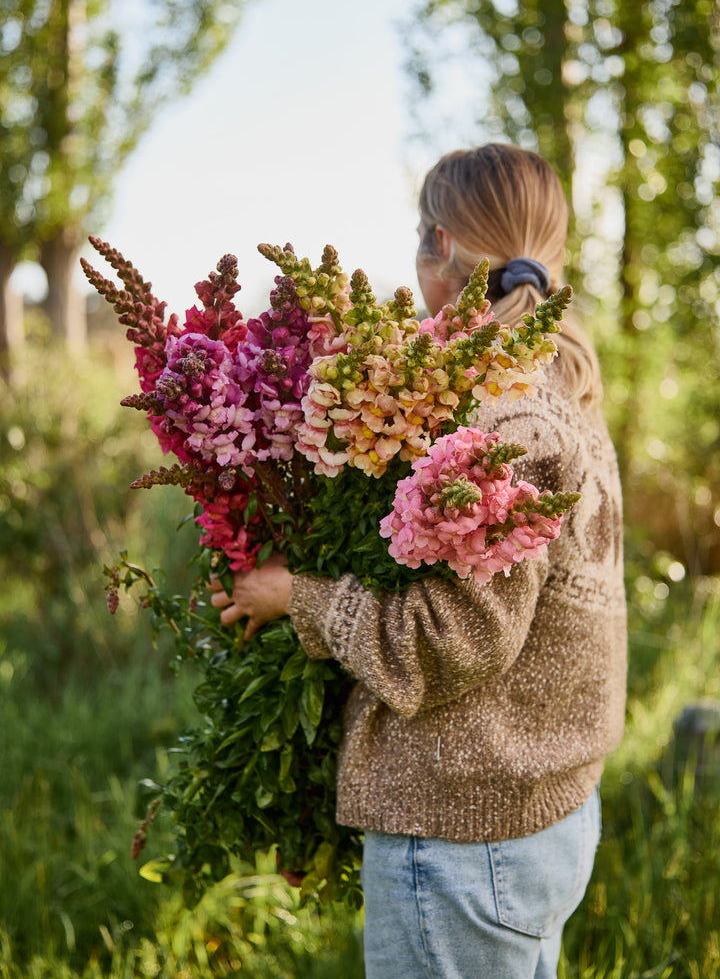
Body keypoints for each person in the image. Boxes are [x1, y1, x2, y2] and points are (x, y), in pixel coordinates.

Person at [210, 143, 627, 979]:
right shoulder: (556, 386)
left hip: (466, 840)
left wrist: (300, 595)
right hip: (531, 821)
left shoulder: (503, 414)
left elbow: (453, 639)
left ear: (439, 245)